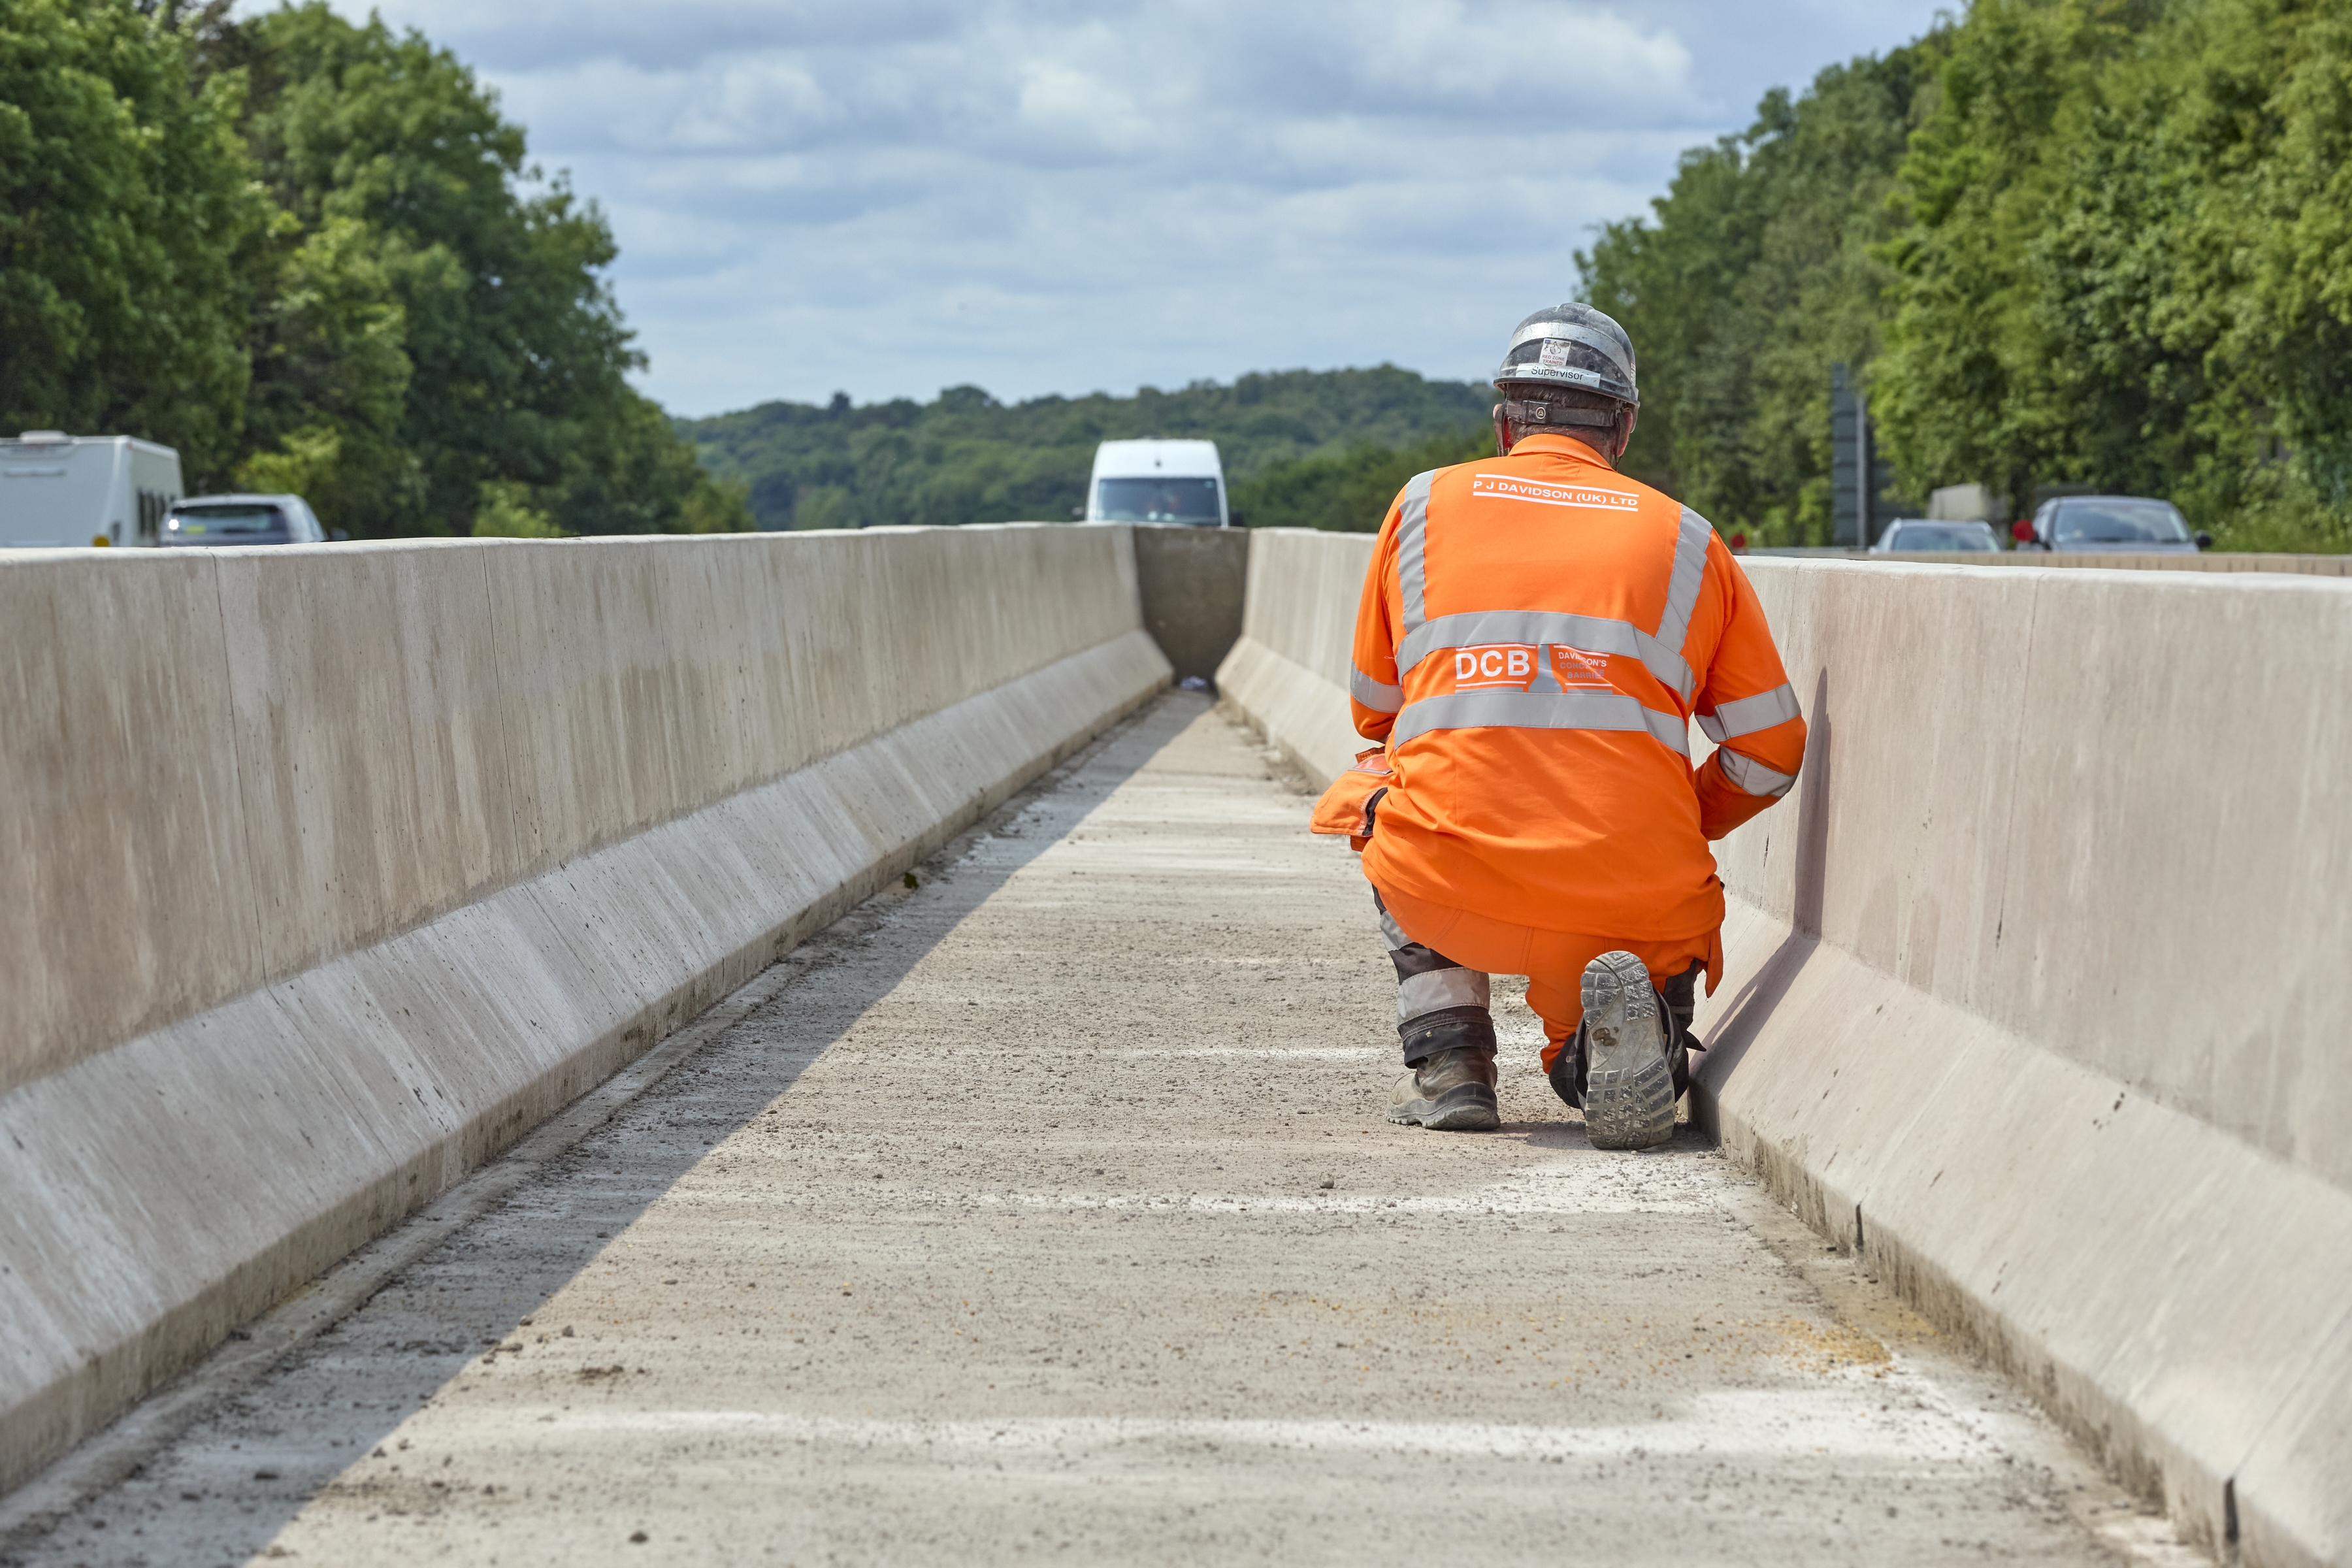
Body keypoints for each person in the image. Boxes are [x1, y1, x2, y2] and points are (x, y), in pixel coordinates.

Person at [1313, 303, 1806, 1149]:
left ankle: (1452, 1065)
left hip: (1453, 875)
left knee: (1378, 781)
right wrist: (1682, 817)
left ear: (1504, 422)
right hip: (1631, 884)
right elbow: (1771, 750)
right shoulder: (1688, 540)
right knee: (1630, 968)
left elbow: (1377, 706)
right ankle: (1608, 1049)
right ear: (1624, 427)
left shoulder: (1423, 505)